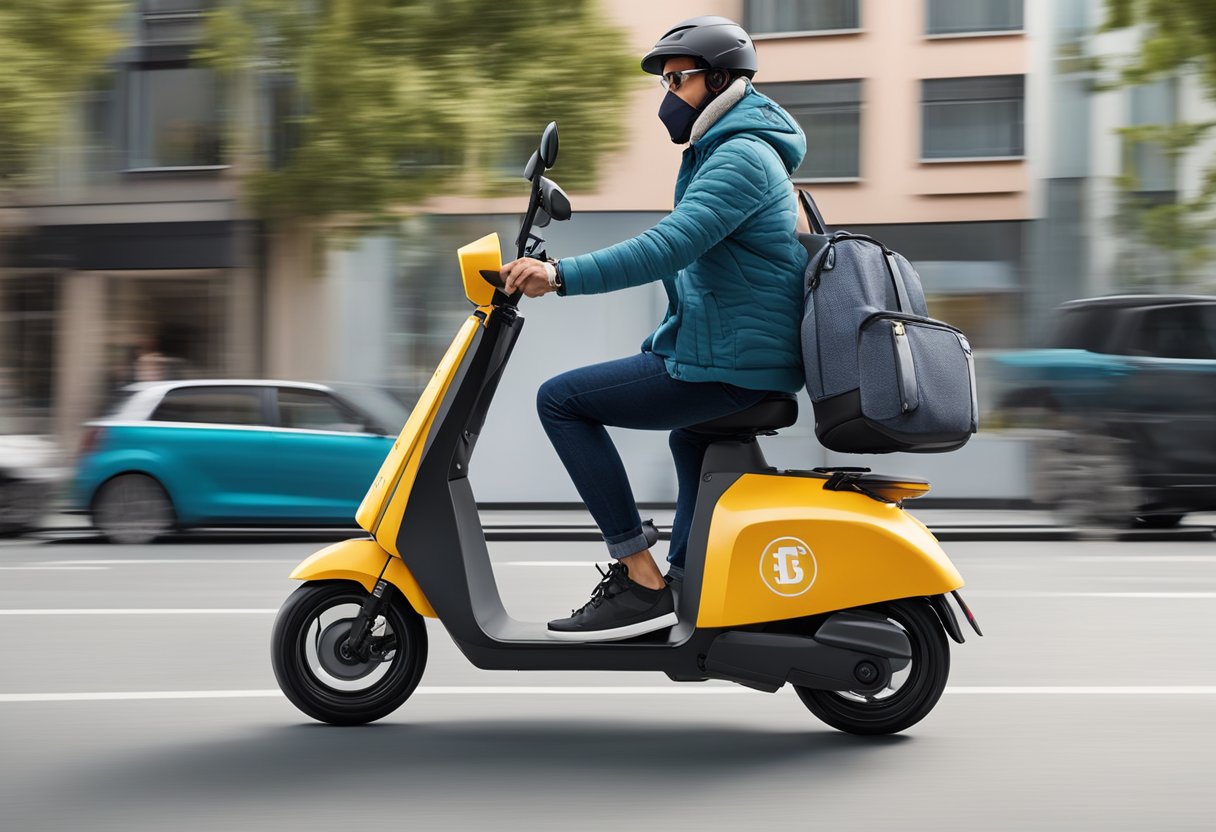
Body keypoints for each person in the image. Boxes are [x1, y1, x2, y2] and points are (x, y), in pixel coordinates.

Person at [500, 16, 808, 641]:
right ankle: (686, 582)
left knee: (560, 401)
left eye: (677, 81)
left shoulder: (741, 158)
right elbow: (702, 275)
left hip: (734, 366)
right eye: (664, 84)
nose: (667, 97)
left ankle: (640, 579)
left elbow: (666, 248)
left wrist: (557, 276)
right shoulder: (723, 150)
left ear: (720, 80)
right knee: (688, 438)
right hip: (732, 358)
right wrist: (661, 343)